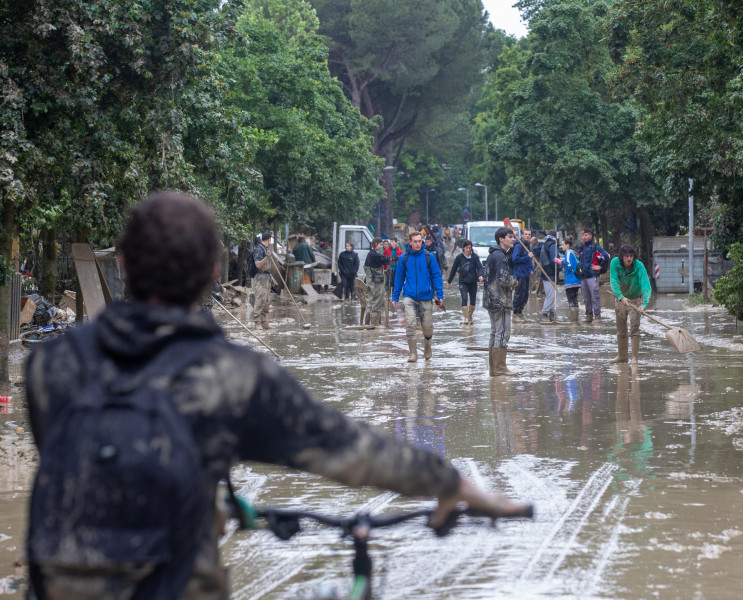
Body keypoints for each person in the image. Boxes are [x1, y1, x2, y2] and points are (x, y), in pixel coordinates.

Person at [24, 191, 521, 600]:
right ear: (214, 272)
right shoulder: (230, 375)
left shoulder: (50, 365)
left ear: (124, 264)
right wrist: (450, 482)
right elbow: (343, 445)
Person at [392, 232, 444, 362]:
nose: (418, 244)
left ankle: (427, 345)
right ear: (409, 242)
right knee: (410, 323)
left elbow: (437, 276)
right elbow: (399, 278)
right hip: (409, 296)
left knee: (427, 327)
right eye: (415, 241)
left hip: (426, 296)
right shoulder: (403, 258)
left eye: (420, 241)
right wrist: (395, 297)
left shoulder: (429, 257)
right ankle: (413, 353)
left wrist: (440, 294)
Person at [483, 227, 519, 376]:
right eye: (510, 237)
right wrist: (514, 281)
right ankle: (499, 368)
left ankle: (494, 368)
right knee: (503, 332)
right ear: (501, 239)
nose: (513, 239)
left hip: (490, 299)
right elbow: (504, 279)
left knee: (495, 332)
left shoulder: (495, 254)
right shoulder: (499, 256)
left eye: (513, 237)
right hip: (500, 299)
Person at [608, 244, 652, 364]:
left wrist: (644, 304)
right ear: (621, 257)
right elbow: (614, 281)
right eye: (626, 256)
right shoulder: (615, 263)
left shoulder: (639, 266)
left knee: (634, 329)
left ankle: (634, 358)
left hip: (636, 300)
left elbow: (646, 285)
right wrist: (621, 297)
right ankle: (622, 356)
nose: (629, 259)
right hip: (620, 299)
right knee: (621, 330)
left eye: (631, 256)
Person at [577, 229, 611, 323]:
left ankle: (597, 317)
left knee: (594, 297)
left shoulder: (595, 247)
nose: (584, 237)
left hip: (593, 276)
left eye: (586, 235)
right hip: (584, 276)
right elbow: (578, 258)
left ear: (590, 236)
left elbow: (606, 256)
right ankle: (589, 316)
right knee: (586, 298)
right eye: (583, 235)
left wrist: (599, 267)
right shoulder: (581, 247)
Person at [447, 240, 484, 325]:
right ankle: (466, 318)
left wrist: (481, 275)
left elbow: (479, 267)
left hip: (473, 281)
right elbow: (453, 270)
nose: (468, 249)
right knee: (464, 298)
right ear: (463, 248)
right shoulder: (459, 258)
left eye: (469, 248)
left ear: (471, 249)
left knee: (473, 301)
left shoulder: (475, 257)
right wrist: (449, 281)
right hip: (463, 282)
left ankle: (470, 316)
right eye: (466, 248)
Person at [363, 239, 391, 327]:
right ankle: (375, 325)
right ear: (375, 244)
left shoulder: (370, 254)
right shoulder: (374, 254)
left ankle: (367, 324)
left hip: (371, 282)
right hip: (375, 284)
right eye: (380, 244)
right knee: (377, 302)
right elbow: (384, 259)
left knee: (371, 302)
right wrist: (393, 259)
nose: (382, 246)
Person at [511, 229, 535, 323]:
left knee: (525, 296)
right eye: (526, 234)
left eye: (529, 234)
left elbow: (529, 259)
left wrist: (531, 269)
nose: (528, 236)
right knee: (519, 295)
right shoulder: (518, 245)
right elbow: (515, 259)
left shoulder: (528, 245)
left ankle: (520, 313)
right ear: (522, 235)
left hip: (526, 274)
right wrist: (527, 257)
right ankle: (515, 314)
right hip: (519, 274)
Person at [252, 231, 274, 329]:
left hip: (267, 276)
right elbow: (258, 265)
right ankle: (257, 322)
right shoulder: (259, 250)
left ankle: (264, 321)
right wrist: (266, 257)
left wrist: (271, 275)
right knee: (260, 299)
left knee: (266, 300)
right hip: (260, 277)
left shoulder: (266, 249)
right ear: (269, 239)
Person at [538, 230, 559, 322]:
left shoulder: (545, 244)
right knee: (550, 295)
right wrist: (558, 267)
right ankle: (545, 314)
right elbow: (553, 259)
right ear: (555, 236)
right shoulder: (552, 245)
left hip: (545, 272)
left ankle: (552, 314)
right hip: (550, 273)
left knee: (552, 294)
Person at [556, 236, 581, 310]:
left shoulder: (568, 253)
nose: (561, 246)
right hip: (576, 280)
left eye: (563, 244)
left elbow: (568, 265)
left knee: (571, 301)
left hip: (571, 281)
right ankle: (575, 318)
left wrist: (559, 261)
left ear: (567, 245)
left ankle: (573, 319)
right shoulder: (574, 252)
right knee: (575, 301)